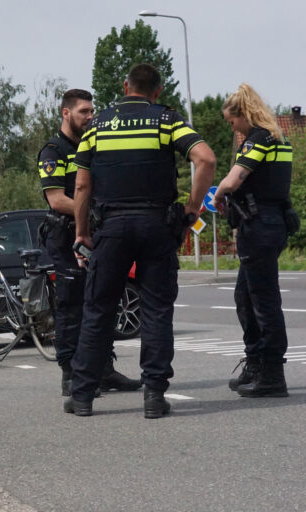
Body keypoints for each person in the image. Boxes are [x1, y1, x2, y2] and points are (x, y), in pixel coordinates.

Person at [65, 63, 216, 418]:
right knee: (156, 310)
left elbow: (83, 186)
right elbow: (205, 158)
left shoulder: (97, 125)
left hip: (111, 228)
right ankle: (153, 395)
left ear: (125, 86)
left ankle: (83, 396)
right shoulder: (166, 120)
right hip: (156, 226)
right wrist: (191, 211)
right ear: (157, 91)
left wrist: (81, 231)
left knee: (98, 310)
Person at [37, 89, 141, 396]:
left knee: (104, 300)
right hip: (66, 236)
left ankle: (103, 369)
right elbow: (56, 200)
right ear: (66, 113)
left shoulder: (94, 145)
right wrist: (92, 212)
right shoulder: (52, 151)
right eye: (84, 111)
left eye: (92, 110)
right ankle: (71, 374)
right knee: (72, 306)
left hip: (97, 234)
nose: (90, 116)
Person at [212, 83, 293, 398]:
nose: (232, 128)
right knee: (245, 298)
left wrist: (218, 193)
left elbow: (234, 179)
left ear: (244, 114)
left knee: (263, 303)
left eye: (232, 122)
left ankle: (272, 374)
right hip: (269, 224)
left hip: (260, 226)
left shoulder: (261, 138)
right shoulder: (278, 138)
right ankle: (256, 363)